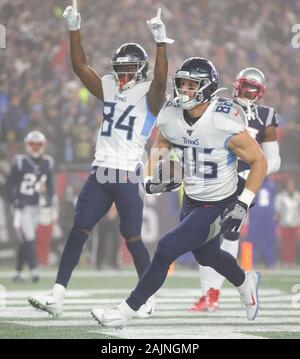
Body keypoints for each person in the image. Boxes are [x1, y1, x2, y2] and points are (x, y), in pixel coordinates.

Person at [91, 57, 267, 327]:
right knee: (207, 256)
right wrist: (151, 177)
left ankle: (125, 311)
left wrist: (243, 204)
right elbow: (162, 142)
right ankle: (246, 282)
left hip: (221, 201)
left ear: (207, 88)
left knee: (165, 248)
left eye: (190, 85)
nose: (183, 90)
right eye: (181, 83)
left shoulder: (223, 119)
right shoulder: (172, 115)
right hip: (193, 197)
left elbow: (259, 162)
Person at [28, 5, 173, 317]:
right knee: (78, 230)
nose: (121, 74)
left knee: (132, 237)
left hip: (126, 175)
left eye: (127, 69)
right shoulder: (109, 85)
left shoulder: (151, 92)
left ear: (141, 70)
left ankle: (148, 298)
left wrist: (161, 43)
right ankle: (57, 295)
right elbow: (81, 67)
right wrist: (73, 29)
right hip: (100, 171)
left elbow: (161, 81)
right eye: (118, 68)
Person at [190, 67, 281, 312]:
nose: (246, 92)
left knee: (230, 232)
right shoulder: (220, 107)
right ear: (236, 85)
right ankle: (208, 294)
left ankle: (214, 293)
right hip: (215, 179)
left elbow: (274, 160)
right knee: (203, 234)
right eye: (244, 87)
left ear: (259, 93)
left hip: (241, 183)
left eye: (252, 89)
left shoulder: (266, 115)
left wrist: (248, 174)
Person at [6, 131, 54, 283]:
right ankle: (34, 271)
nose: (35, 148)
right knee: (30, 238)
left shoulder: (48, 162)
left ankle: (17, 273)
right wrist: (15, 200)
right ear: (27, 145)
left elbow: (50, 187)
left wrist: (48, 198)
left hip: (36, 207)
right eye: (32, 144)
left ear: (43, 146)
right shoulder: (20, 161)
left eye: (38, 144)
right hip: (22, 207)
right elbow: (9, 185)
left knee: (24, 241)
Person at [275, 179, 300, 265]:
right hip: (284, 223)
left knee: (293, 242)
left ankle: (291, 260)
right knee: (285, 243)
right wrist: (277, 223)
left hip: (295, 223)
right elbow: (277, 210)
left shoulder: (297, 196)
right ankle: (285, 260)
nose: (290, 187)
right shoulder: (281, 196)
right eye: (289, 185)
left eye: (292, 185)